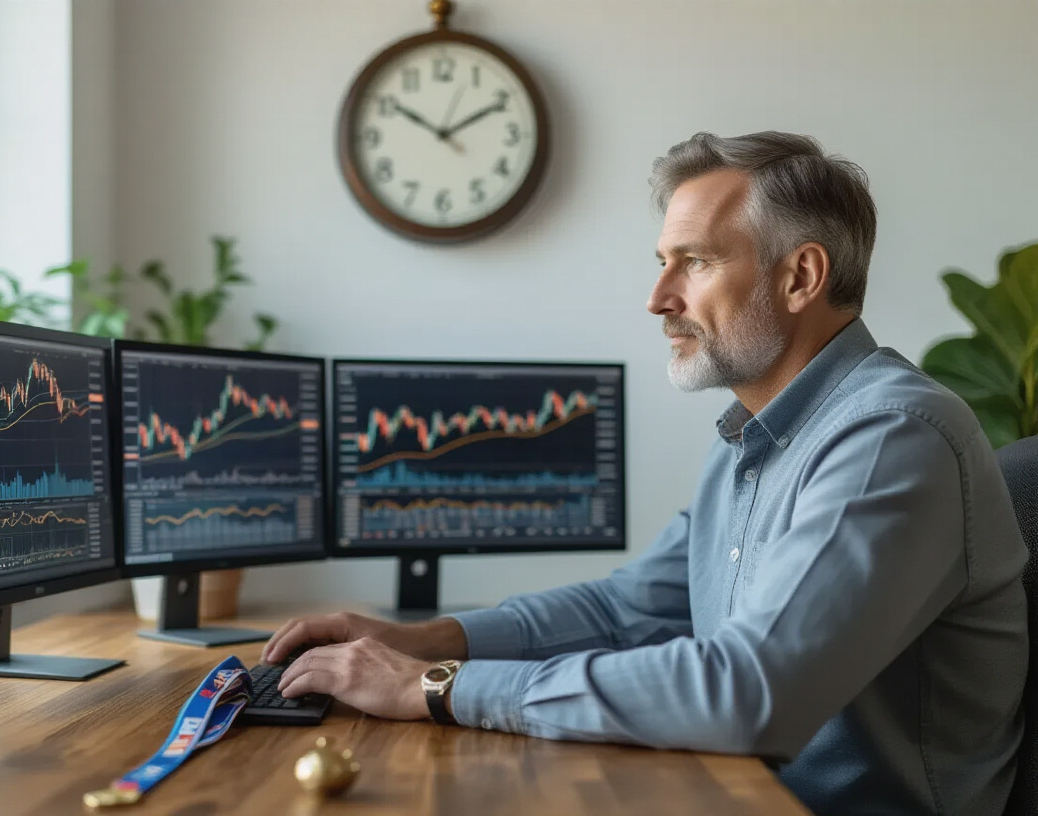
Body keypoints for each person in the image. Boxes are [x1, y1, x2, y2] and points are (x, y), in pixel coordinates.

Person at [263, 131, 1029, 815]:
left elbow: (747, 695)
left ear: (801, 277)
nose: (658, 298)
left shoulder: (890, 438)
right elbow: (629, 609)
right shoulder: (755, 438)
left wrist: (432, 689)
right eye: (663, 263)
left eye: (694, 262)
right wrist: (427, 639)